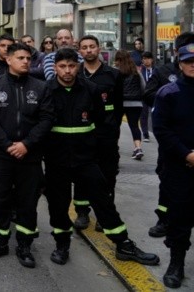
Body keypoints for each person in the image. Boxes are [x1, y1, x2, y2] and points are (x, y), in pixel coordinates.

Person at [44, 47, 159, 267]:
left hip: (86, 160)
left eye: (71, 66)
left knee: (104, 202)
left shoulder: (92, 90)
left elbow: (101, 122)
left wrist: (98, 153)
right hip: (56, 161)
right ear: (55, 68)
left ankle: (123, 244)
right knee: (58, 207)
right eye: (62, 66)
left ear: (77, 66)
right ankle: (62, 245)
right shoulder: (46, 91)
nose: (67, 71)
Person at [0, 42, 53, 268]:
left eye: (28, 59)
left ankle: (24, 245)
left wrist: (26, 144)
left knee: (27, 202)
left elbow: (47, 119)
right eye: (20, 58)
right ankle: (0, 241)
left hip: (29, 157)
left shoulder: (41, 87)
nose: (25, 62)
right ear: (8, 59)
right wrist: (7, 144)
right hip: (0, 156)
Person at [143, 32, 194, 239]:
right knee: (169, 185)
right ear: (177, 55)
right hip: (173, 149)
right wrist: (171, 101)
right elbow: (148, 95)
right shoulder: (164, 74)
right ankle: (164, 219)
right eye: (188, 59)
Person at [152, 42, 194, 288]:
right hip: (179, 167)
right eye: (189, 62)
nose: (193, 66)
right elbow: (161, 130)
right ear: (180, 64)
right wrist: (186, 155)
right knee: (179, 218)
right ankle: (176, 263)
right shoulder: (168, 93)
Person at [73, 35, 124, 231]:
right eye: (84, 47)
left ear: (98, 48)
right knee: (82, 174)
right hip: (83, 133)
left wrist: (114, 130)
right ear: (79, 50)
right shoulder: (76, 74)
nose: (88, 50)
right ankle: (82, 212)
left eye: (92, 47)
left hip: (106, 134)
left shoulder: (113, 75)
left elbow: (119, 107)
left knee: (107, 174)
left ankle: (104, 215)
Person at [114, 49, 145, 160]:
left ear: (118, 60)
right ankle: (138, 148)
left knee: (115, 125)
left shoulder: (115, 71)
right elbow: (143, 86)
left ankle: (114, 147)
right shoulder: (136, 71)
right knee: (134, 126)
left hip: (119, 103)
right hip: (136, 103)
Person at [139, 51, 155, 143]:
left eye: (147, 58)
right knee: (143, 115)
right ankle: (145, 134)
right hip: (144, 95)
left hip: (153, 95)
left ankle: (156, 132)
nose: (145, 60)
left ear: (151, 59)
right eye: (144, 59)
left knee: (154, 114)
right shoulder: (140, 70)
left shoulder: (156, 70)